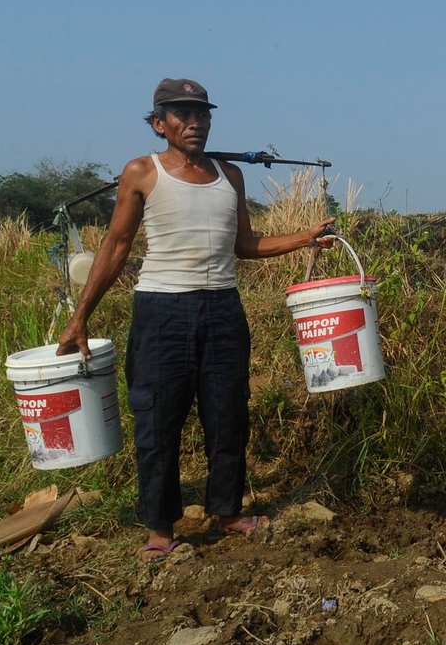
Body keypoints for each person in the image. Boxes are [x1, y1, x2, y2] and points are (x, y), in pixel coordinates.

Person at [57, 77, 334, 562]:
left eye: (202, 114)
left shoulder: (230, 175)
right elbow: (116, 247)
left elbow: (244, 245)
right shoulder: (142, 172)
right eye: (181, 115)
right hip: (162, 311)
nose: (194, 123)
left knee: (228, 414)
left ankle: (226, 511)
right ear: (159, 123)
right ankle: (161, 530)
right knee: (158, 421)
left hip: (223, 309)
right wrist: (80, 316)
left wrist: (303, 238)